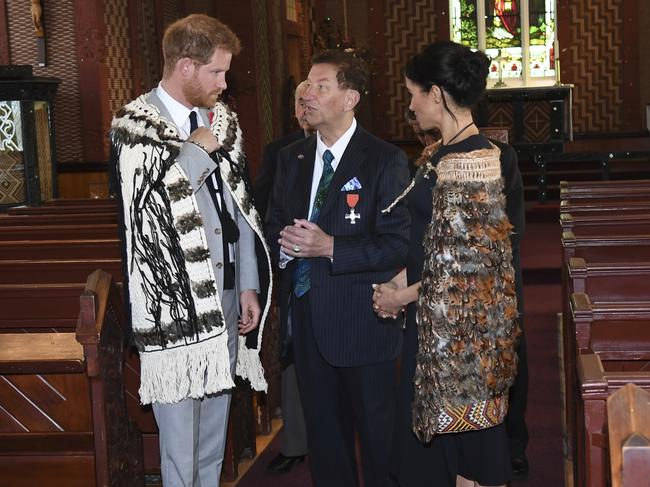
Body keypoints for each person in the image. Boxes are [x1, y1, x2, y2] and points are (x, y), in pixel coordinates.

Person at [109, 14, 271, 487]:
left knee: (212, 438)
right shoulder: (135, 126)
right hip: (175, 304)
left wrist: (247, 286)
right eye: (216, 73)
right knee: (180, 444)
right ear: (185, 66)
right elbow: (146, 210)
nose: (225, 83)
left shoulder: (224, 121)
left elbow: (240, 207)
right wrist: (197, 152)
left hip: (222, 298)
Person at [372, 40, 524, 487]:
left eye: (413, 93)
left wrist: (401, 295)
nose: (410, 105)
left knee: (464, 458)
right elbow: (427, 239)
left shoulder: (473, 161)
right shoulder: (441, 152)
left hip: (462, 339)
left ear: (436, 94)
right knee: (440, 454)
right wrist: (397, 284)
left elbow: (464, 267)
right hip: (433, 324)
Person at [265, 50, 410, 487]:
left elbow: (398, 243)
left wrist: (330, 247)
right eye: (307, 85)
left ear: (350, 99)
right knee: (326, 444)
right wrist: (286, 247)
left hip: (362, 320)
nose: (307, 93)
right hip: (306, 321)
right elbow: (272, 223)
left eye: (320, 85)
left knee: (379, 440)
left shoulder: (384, 159)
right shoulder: (291, 158)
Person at [255, 80, 314, 474]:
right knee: (292, 359)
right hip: (292, 269)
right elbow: (262, 208)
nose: (307, 106)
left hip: (336, 269)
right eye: (300, 101)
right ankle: (295, 442)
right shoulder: (280, 153)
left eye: (313, 97)